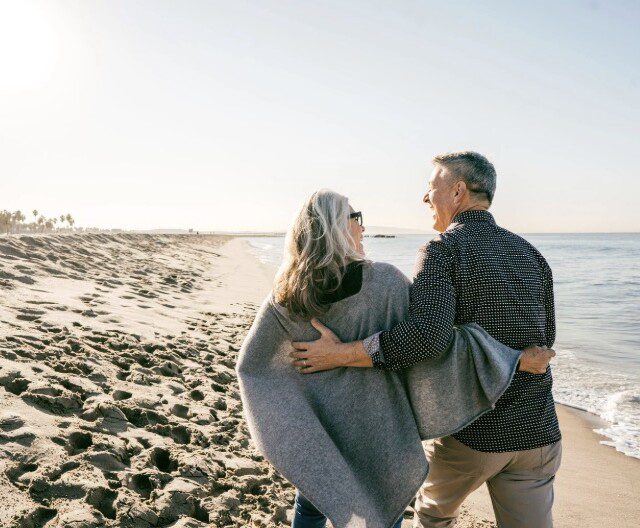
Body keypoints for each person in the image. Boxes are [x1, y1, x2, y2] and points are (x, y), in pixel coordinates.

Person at [237, 188, 552, 528]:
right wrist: (513, 358)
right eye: (355, 218)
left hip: (321, 427)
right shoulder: (384, 283)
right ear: (337, 227)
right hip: (380, 428)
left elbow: (253, 368)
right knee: (381, 509)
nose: (361, 227)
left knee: (315, 500)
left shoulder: (285, 294)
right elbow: (435, 342)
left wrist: (293, 418)